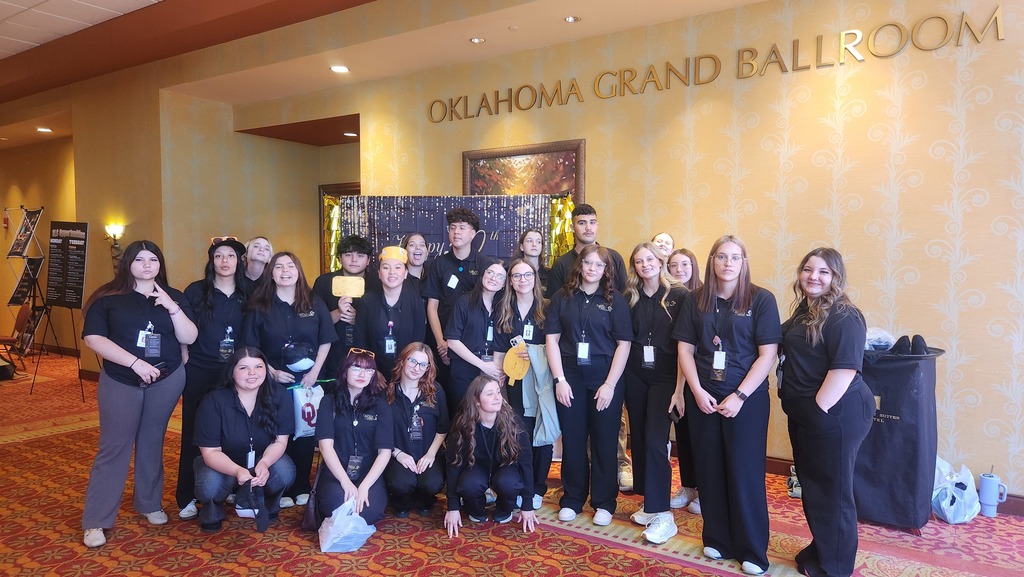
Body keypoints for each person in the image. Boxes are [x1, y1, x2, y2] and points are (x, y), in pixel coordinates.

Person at [673, 235, 781, 576]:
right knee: (710, 469)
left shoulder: (761, 299)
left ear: (744, 262)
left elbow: (768, 355)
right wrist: (696, 391)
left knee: (744, 473)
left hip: (745, 401)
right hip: (704, 398)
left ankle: (751, 549)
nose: (728, 263)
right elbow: (685, 350)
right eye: (722, 257)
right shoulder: (696, 300)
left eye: (735, 257)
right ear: (712, 261)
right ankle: (717, 537)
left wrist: (741, 396)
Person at [81, 240, 199, 548]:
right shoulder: (108, 297)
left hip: (167, 379)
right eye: (140, 260)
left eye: (153, 260)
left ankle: (149, 503)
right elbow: (94, 338)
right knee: (114, 447)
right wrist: (135, 363)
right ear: (128, 264)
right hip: (121, 378)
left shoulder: (174, 296)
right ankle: (96, 520)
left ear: (160, 264)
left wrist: (172, 308)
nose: (147, 265)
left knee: (152, 440)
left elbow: (189, 336)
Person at [780, 248, 873, 577]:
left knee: (832, 490)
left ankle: (835, 567)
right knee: (815, 485)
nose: (813, 277)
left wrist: (817, 414)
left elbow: (844, 371)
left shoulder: (845, 316)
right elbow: (778, 341)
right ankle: (823, 546)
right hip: (810, 413)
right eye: (807, 269)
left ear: (836, 277)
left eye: (823, 272)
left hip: (835, 412)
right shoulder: (805, 311)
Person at [544, 204, 631, 491]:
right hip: (570, 378)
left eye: (599, 265)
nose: (592, 269)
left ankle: (604, 500)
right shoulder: (561, 297)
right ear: (578, 266)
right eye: (587, 263)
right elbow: (552, 340)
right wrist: (559, 380)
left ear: (607, 269)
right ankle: (572, 497)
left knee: (605, 439)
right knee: (573, 438)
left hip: (605, 377)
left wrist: (609, 385)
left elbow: (623, 344)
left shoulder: (615, 300)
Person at [242, 252, 336, 508]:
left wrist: (315, 372)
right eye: (279, 266)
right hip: (273, 382)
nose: (285, 271)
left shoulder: (314, 302)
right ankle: (280, 487)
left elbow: (326, 339)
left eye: (290, 266)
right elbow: (251, 345)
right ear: (271, 272)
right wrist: (271, 371)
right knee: (278, 433)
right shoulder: (259, 305)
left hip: (309, 382)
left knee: (305, 434)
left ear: (299, 271)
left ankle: (302, 485)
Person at [176, 238, 249, 521]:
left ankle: (231, 486)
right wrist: (184, 356)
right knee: (194, 432)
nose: (225, 261)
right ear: (211, 261)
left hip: (237, 374)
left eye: (230, 255)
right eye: (219, 255)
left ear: (238, 261)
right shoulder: (196, 291)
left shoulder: (250, 292)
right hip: (201, 369)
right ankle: (187, 494)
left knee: (235, 432)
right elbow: (181, 326)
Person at [622, 242, 687, 544]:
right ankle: (651, 502)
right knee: (640, 438)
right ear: (634, 266)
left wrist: (679, 389)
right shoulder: (630, 296)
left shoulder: (680, 296)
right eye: (638, 261)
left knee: (656, 441)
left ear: (660, 260)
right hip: (635, 374)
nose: (645, 264)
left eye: (649, 259)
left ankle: (664, 515)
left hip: (665, 376)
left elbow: (687, 347)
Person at [192, 347, 296, 533]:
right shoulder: (214, 400)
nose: (252, 373)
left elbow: (280, 442)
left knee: (285, 472)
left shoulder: (279, 395)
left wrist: (264, 463)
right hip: (224, 462)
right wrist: (237, 470)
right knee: (209, 485)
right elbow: (210, 452)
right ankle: (212, 511)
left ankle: (256, 499)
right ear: (232, 371)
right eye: (243, 368)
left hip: (260, 459)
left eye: (258, 366)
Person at [492, 258, 556, 512]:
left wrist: (535, 351)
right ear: (510, 281)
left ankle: (538, 487)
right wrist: (497, 385)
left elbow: (556, 344)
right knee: (521, 432)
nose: (522, 280)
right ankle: (520, 482)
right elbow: (498, 349)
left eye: (527, 275)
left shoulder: (547, 309)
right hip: (515, 382)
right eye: (516, 276)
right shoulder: (504, 310)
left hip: (541, 382)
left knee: (543, 433)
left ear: (535, 278)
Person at [444, 375, 538, 537]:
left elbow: (526, 465)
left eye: (498, 392)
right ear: (476, 401)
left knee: (509, 483)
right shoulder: (462, 424)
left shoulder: (514, 423)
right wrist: (452, 506)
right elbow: (454, 465)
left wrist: (527, 505)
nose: (497, 398)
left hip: (505, 468)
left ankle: (505, 507)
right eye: (489, 394)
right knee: (469, 485)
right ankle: (475, 507)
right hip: (475, 468)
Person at [315, 348, 393, 525]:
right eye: (356, 368)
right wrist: (345, 481)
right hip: (337, 472)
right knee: (335, 506)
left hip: (368, 472)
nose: (362, 374)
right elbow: (325, 447)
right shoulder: (329, 401)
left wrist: (364, 486)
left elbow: (384, 452)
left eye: (368, 370)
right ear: (345, 370)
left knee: (369, 513)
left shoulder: (380, 404)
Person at [423, 207, 494, 374]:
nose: (456, 232)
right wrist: (441, 343)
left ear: (473, 233)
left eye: (462, 227)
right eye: (453, 227)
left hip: (476, 342)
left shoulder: (484, 265)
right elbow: (432, 307)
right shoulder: (438, 264)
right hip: (445, 341)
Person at [384, 343, 449, 517]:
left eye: (422, 364)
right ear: (402, 361)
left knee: (432, 483)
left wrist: (430, 454)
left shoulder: (436, 391)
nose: (416, 368)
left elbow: (443, 428)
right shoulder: (387, 393)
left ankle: (424, 499)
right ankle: (401, 500)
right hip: (397, 453)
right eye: (412, 361)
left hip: (427, 452)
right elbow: (380, 433)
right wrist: (397, 454)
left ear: (428, 368)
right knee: (401, 483)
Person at [312, 234, 382, 381]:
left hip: (366, 354)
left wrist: (360, 319)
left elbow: (382, 323)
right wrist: (337, 313)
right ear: (339, 258)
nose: (354, 260)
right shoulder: (323, 282)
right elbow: (311, 322)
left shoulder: (377, 285)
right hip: (331, 353)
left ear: (368, 260)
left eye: (360, 255)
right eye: (348, 254)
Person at [352, 246, 426, 379]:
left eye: (398, 267)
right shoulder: (367, 301)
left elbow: (418, 343)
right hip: (373, 373)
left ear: (405, 273)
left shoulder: (416, 302)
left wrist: (405, 373)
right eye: (386, 268)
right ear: (379, 274)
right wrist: (372, 371)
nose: (392, 272)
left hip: (407, 374)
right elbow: (361, 341)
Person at [445, 261, 507, 415]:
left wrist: (496, 369)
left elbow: (501, 343)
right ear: (482, 275)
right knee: (463, 417)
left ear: (504, 284)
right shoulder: (464, 302)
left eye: (500, 276)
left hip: (490, 372)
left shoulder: (502, 307)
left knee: (486, 418)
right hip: (464, 371)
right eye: (490, 273)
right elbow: (452, 341)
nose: (494, 278)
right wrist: (482, 365)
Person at [667, 247, 702, 513]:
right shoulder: (669, 298)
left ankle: (706, 489)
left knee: (705, 436)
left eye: (685, 264)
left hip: (705, 378)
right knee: (685, 433)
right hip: (677, 376)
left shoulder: (705, 296)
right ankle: (688, 485)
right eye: (673, 265)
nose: (679, 270)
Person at [515, 228, 550, 295]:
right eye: (529, 241)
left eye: (538, 242)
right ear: (521, 247)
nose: (534, 244)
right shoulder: (512, 272)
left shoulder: (550, 274)